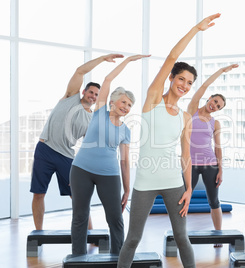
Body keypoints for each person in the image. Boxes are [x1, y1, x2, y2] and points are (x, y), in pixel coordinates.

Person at [117, 13, 221, 268]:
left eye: (190, 83)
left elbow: (185, 155)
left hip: (174, 182)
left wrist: (188, 188)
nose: (185, 85)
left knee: (182, 238)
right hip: (145, 182)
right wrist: (196, 29)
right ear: (172, 78)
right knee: (132, 239)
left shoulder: (186, 117)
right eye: (181, 79)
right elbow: (172, 58)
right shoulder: (153, 100)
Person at [30, 54, 123, 230]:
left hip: (66, 156)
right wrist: (103, 59)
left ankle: (91, 232)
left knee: (78, 196)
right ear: (84, 92)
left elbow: (95, 144)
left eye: (96, 94)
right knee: (38, 194)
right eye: (91, 92)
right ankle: (38, 234)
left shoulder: (92, 120)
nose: (93, 96)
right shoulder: (70, 97)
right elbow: (80, 71)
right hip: (45, 149)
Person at [70, 54, 150, 255]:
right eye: (123, 102)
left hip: (109, 175)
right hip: (81, 170)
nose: (126, 107)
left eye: (130, 105)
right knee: (80, 216)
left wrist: (126, 189)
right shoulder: (99, 112)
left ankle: (118, 259)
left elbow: (124, 161)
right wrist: (127, 62)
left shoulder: (125, 130)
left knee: (115, 218)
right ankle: (78, 259)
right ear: (112, 101)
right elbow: (107, 80)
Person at [186, 63, 238, 248]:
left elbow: (218, 148)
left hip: (210, 164)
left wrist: (221, 170)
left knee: (213, 200)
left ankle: (218, 235)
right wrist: (221, 71)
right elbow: (202, 86)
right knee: (184, 198)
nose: (214, 105)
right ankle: (180, 236)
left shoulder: (215, 124)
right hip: (190, 164)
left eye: (218, 105)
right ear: (209, 98)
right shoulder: (192, 109)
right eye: (214, 101)